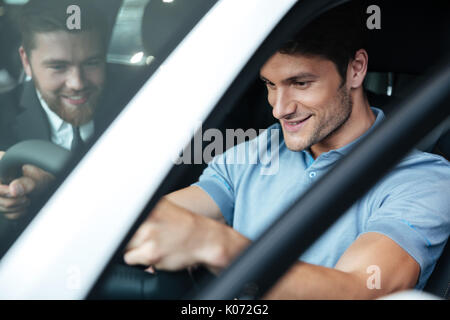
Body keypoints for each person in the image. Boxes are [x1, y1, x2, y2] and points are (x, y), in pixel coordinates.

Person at [123, 4, 450, 299]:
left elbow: (360, 290)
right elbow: (152, 221)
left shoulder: (422, 181)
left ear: (356, 69)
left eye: (300, 83)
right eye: (270, 84)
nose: (279, 109)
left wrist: (216, 246)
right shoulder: (255, 152)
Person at [0, 0, 109, 217]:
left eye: (91, 63)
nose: (77, 83)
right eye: (58, 67)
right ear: (26, 62)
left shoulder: (142, 101)